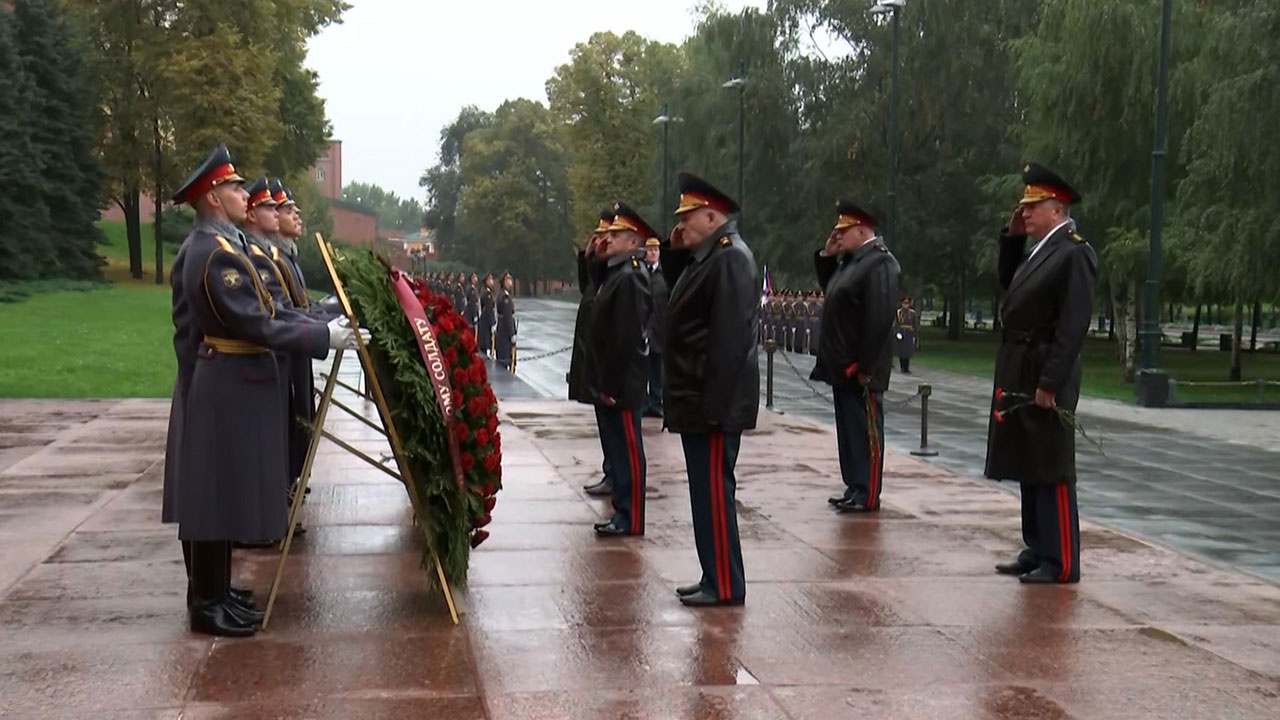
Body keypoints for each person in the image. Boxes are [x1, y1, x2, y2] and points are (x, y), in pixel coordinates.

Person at [166, 143, 367, 636]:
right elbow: (255, 321)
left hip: (229, 380)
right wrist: (322, 335)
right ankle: (206, 602)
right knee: (212, 495)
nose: (243, 193)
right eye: (234, 187)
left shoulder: (223, 246)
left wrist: (320, 324)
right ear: (214, 197)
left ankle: (214, 591)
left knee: (218, 493)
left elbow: (271, 311)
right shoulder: (214, 254)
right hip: (224, 382)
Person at [986, 162, 1097, 585]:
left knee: (1051, 463)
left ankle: (1061, 559)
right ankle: (1037, 546)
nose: (1025, 212)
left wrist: (1050, 381)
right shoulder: (1039, 250)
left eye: (1033, 206)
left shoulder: (1074, 251)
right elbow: (1008, 287)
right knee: (1027, 460)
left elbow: (1072, 325)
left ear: (1057, 207)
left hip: (1045, 368)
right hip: (1019, 366)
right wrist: (1012, 239)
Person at [662, 172, 759, 607]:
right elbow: (676, 298)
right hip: (697, 399)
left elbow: (729, 339)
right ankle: (712, 574)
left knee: (715, 494)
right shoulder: (706, 257)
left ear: (711, 215)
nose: (680, 223)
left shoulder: (730, 257)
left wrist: (716, 406)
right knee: (703, 493)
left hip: (712, 402)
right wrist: (674, 247)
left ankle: (725, 583)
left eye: (687, 216)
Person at [812, 200, 900, 513]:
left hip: (860, 367)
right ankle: (854, 485)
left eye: (843, 230)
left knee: (866, 432)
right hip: (842, 365)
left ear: (862, 229)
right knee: (849, 431)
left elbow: (878, 319)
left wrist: (864, 365)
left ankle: (868, 491)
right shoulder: (851, 261)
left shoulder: (880, 263)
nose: (838, 235)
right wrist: (827, 254)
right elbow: (832, 290)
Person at [589, 202, 653, 537]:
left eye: (615, 234)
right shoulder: (617, 272)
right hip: (611, 380)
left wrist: (611, 385)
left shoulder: (630, 277)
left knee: (628, 452)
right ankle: (622, 512)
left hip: (623, 383)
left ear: (633, 242)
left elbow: (626, 337)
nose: (607, 238)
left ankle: (632, 516)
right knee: (617, 450)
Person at [572, 209, 618, 498]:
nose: (600, 242)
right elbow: (586, 288)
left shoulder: (618, 270)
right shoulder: (601, 269)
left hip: (609, 358)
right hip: (594, 353)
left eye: (605, 237)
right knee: (605, 423)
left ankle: (616, 475)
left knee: (615, 427)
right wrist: (585, 258)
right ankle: (610, 470)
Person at [643, 236, 668, 419]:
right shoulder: (641, 271)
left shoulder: (663, 274)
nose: (653, 253)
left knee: (657, 369)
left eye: (656, 250)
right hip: (643, 327)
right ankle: (644, 402)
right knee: (643, 368)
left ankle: (656, 401)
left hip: (659, 327)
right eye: (650, 250)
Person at [495, 272, 517, 370]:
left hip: (501, 330)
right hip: (505, 333)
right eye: (508, 280)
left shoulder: (502, 294)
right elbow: (508, 317)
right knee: (505, 360)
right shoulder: (505, 297)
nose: (510, 282)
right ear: (504, 282)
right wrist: (512, 333)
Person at [895, 296, 917, 373]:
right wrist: (897, 332)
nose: (906, 305)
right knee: (902, 350)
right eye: (904, 303)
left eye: (907, 303)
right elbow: (896, 323)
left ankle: (906, 367)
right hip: (901, 332)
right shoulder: (899, 312)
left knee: (908, 351)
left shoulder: (912, 313)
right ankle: (902, 367)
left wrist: (914, 334)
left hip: (909, 333)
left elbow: (914, 324)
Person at [479, 273, 495, 356]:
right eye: (490, 280)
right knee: (485, 344)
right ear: (486, 282)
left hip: (484, 321)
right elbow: (489, 310)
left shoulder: (486, 292)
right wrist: (492, 323)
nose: (492, 281)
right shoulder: (488, 294)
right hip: (486, 322)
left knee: (484, 343)